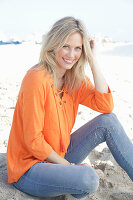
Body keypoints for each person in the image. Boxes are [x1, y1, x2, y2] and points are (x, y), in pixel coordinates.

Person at [7, 16, 133, 199]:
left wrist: (92, 59)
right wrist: (71, 167)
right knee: (89, 179)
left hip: (59, 155)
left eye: (78, 49)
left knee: (108, 121)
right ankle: (71, 177)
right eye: (66, 46)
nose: (71, 55)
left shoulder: (74, 78)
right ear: (54, 44)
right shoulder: (36, 78)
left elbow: (105, 106)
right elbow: (33, 141)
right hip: (29, 168)